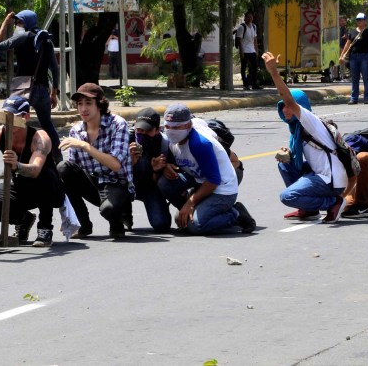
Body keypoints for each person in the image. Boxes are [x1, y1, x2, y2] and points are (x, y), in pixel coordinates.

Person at [262, 52, 353, 223]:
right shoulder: (297, 128)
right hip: (319, 174)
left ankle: (334, 202)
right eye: (282, 107)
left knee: (287, 196)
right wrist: (289, 153)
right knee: (285, 165)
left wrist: (274, 72)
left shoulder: (309, 121)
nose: (285, 110)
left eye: (288, 107)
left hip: (330, 180)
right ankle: (309, 210)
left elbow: (287, 97)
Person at [0, 96, 64, 247]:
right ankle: (23, 219)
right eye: (5, 115)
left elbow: (35, 170)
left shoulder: (39, 138)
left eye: (12, 116)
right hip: (21, 187)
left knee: (44, 175)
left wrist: (17, 165)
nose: (7, 120)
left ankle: (45, 228)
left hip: (48, 189)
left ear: (25, 117)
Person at [157, 103, 256, 235]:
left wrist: (190, 203)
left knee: (195, 226)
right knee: (165, 184)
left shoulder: (199, 144)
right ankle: (193, 213)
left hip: (222, 189)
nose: (170, 130)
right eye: (167, 126)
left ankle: (236, 214)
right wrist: (166, 165)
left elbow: (213, 181)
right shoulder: (170, 138)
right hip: (199, 180)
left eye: (176, 127)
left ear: (188, 125)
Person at [57, 83, 134, 239]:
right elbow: (72, 173)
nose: (83, 109)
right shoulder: (76, 130)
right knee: (63, 168)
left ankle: (118, 219)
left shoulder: (117, 124)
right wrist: (68, 216)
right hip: (93, 182)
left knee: (109, 209)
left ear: (99, 104)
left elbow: (115, 164)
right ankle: (83, 224)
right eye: (80, 104)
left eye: (88, 103)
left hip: (116, 183)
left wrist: (85, 146)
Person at [0, 10, 62, 162]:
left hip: (22, 88)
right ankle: (59, 159)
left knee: (15, 126)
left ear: (26, 23)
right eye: (16, 22)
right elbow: (55, 69)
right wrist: (54, 93)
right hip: (42, 90)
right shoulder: (46, 39)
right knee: (47, 125)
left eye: (19, 22)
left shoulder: (21, 37)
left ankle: (13, 161)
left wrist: (5, 22)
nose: (18, 25)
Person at [122, 108, 173, 232]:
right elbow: (113, 172)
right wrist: (129, 161)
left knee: (161, 225)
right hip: (125, 185)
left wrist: (156, 170)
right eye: (139, 129)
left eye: (147, 130)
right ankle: (124, 214)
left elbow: (158, 182)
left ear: (157, 130)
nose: (142, 133)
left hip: (149, 187)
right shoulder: (124, 139)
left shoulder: (164, 144)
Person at [339, 12, 368, 105]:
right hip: (353, 57)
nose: (359, 21)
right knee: (355, 78)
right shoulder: (352, 32)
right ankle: (354, 98)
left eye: (361, 20)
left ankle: (367, 98)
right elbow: (347, 45)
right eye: (358, 20)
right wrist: (342, 55)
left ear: (365, 21)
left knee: (366, 78)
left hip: (364, 57)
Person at [236, 11, 262, 90]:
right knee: (243, 67)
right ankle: (245, 85)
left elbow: (255, 39)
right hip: (244, 50)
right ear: (245, 18)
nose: (249, 18)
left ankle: (254, 84)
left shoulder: (254, 26)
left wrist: (256, 50)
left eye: (251, 17)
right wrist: (241, 52)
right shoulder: (242, 27)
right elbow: (239, 40)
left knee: (254, 67)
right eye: (248, 17)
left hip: (252, 50)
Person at [338, 16, 348, 81]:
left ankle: (342, 74)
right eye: (341, 21)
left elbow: (346, 36)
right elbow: (345, 36)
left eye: (344, 21)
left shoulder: (344, 28)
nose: (343, 22)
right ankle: (341, 75)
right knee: (341, 61)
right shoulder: (340, 28)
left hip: (342, 46)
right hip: (339, 46)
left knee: (342, 61)